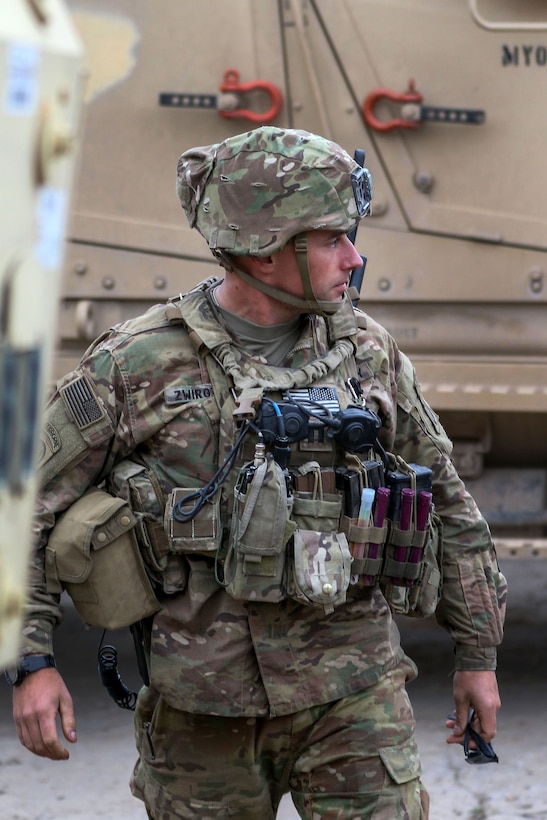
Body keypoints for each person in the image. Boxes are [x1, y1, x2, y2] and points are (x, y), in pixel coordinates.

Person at [9, 126, 506, 819]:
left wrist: (477, 655)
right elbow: (25, 507)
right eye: (333, 239)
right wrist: (31, 663)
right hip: (199, 713)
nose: (354, 258)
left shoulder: (366, 353)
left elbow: (448, 505)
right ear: (267, 250)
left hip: (354, 698)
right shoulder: (136, 364)